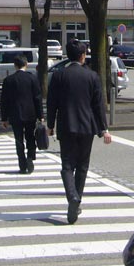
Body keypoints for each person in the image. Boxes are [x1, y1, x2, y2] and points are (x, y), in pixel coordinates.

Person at [46, 39, 112, 224]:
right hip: (87, 126)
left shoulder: (59, 75)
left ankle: (72, 197)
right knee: (82, 165)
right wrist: (103, 129)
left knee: (67, 166)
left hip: (66, 125)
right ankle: (78, 199)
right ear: (83, 55)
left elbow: (52, 103)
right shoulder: (92, 76)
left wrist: (50, 125)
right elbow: (98, 105)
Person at [0, 53, 43, 174]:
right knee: (30, 137)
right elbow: (37, 98)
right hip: (30, 113)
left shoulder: (8, 80)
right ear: (26, 64)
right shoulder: (32, 78)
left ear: (15, 65)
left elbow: (4, 101)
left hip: (15, 114)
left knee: (18, 140)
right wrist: (41, 115)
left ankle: (22, 164)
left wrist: (4, 118)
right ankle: (30, 156)